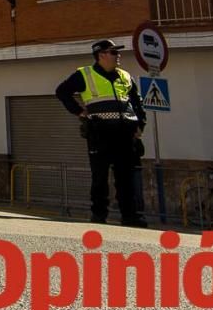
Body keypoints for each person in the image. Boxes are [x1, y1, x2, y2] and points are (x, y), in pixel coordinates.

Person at [55, 39, 148, 227]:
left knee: (125, 177)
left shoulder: (125, 76)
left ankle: (129, 216)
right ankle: (99, 215)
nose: (118, 56)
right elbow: (62, 92)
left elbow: (137, 102)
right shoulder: (85, 74)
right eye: (114, 52)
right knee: (100, 176)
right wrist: (79, 111)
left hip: (125, 133)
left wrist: (140, 126)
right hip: (100, 133)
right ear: (101, 55)